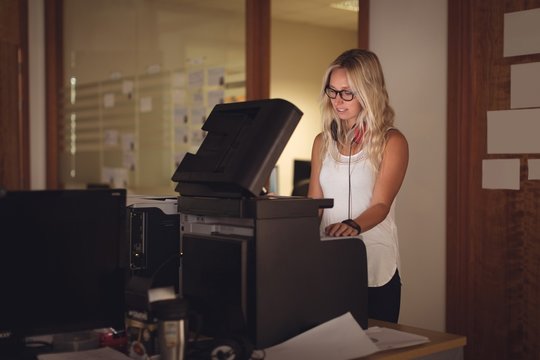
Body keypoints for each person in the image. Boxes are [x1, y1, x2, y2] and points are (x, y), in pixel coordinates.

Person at [307, 48, 408, 323]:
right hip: (328, 266)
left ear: (368, 91)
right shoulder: (322, 142)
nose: (338, 101)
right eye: (333, 91)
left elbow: (381, 204)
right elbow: (315, 203)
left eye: (347, 92)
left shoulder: (392, 142)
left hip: (375, 266)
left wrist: (353, 226)